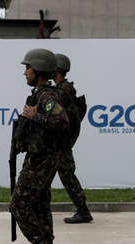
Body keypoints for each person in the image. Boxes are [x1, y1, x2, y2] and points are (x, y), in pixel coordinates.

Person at [10, 48, 69, 244]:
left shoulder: (46, 96)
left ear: (39, 70)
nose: (25, 72)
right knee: (41, 204)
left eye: (28, 68)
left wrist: (36, 117)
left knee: (18, 204)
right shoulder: (39, 95)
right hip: (38, 156)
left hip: (43, 159)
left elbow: (62, 122)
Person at [53, 53, 93, 224]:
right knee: (63, 174)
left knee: (67, 175)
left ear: (57, 69)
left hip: (61, 142)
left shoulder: (63, 90)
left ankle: (83, 211)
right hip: (60, 142)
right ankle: (82, 210)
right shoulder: (63, 88)